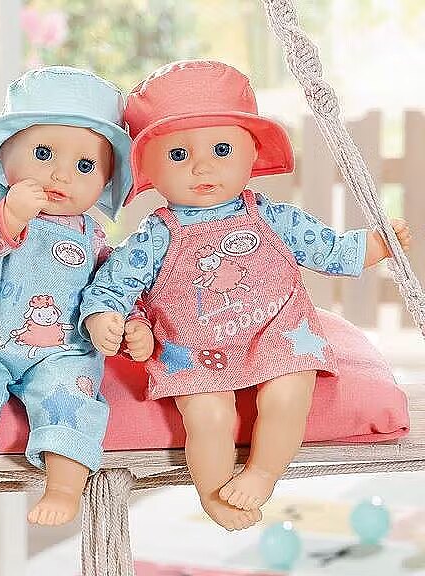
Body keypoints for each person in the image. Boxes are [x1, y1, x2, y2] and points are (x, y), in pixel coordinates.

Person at [79, 60, 412, 531]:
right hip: (194, 346)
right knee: (208, 415)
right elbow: (115, 282)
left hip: (276, 332)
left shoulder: (271, 215)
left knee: (289, 391)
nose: (202, 167)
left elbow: (325, 248)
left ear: (252, 152)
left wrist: (371, 247)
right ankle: (214, 493)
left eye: (221, 149)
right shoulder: (156, 234)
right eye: (178, 155)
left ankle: (263, 471)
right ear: (147, 166)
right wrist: (103, 315)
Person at [0, 66, 151, 526]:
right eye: (43, 153)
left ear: (105, 181)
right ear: (5, 154)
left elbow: (114, 285)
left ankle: (64, 486)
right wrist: (8, 217)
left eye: (85, 166)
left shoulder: (92, 235)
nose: (61, 174)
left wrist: (129, 323)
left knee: (73, 399)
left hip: (60, 350)